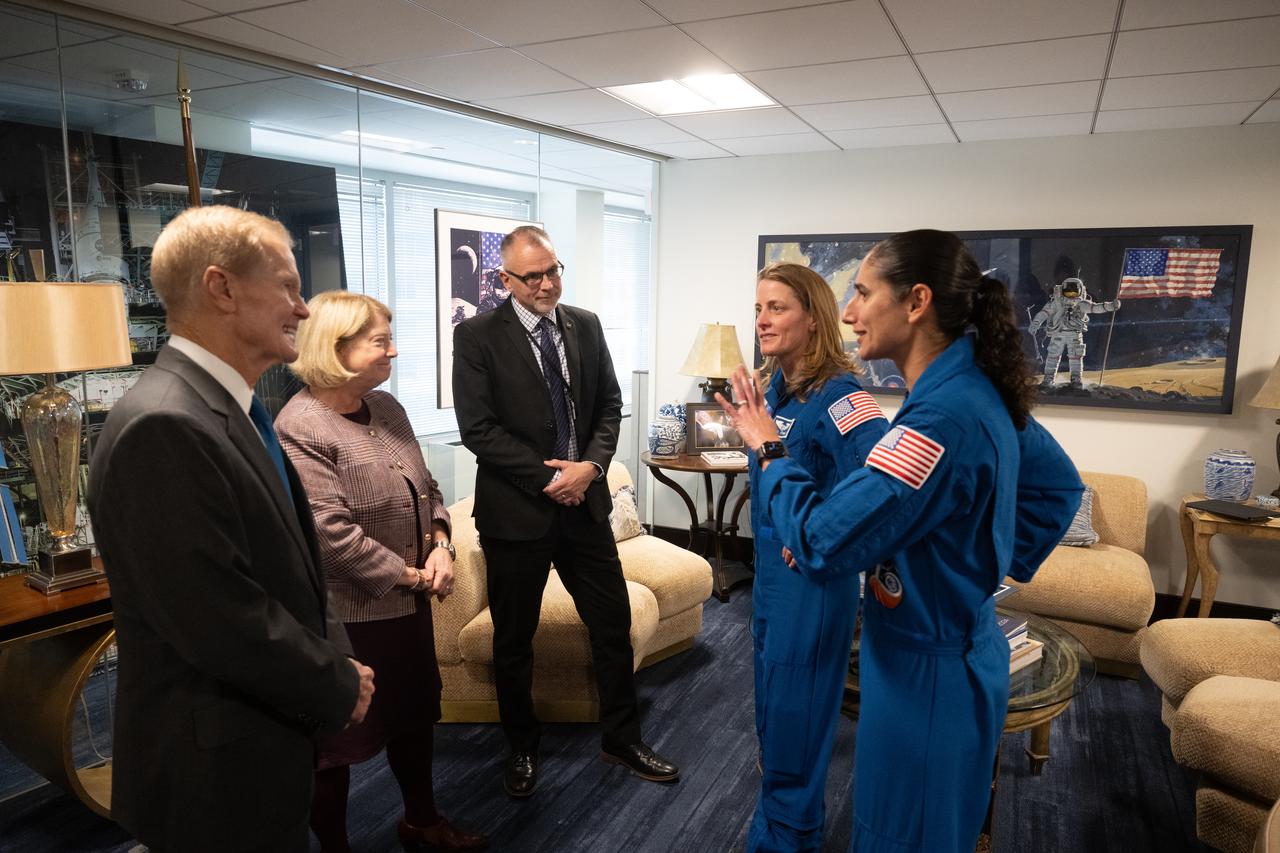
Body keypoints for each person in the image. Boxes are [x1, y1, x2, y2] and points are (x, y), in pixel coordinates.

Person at [718, 230, 1084, 853]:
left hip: (927, 669)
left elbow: (824, 540)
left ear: (915, 302)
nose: (851, 311)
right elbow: (1056, 489)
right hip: (928, 644)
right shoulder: (963, 390)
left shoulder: (936, 413)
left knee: (898, 834)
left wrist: (770, 450)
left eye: (862, 292)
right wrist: (965, 567)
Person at [86, 206, 374, 853]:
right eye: (289, 287)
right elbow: (219, 617)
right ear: (222, 288)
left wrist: (338, 656)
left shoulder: (232, 409)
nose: (304, 309)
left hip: (254, 743)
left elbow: (290, 564)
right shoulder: (163, 424)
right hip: (210, 770)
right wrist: (338, 680)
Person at [452, 225, 679, 798]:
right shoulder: (477, 336)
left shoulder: (584, 324)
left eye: (554, 270)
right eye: (534, 276)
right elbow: (478, 430)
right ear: (505, 280)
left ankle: (621, 737)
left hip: (584, 507)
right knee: (514, 639)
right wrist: (551, 477)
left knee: (611, 624)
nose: (548, 283)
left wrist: (592, 468)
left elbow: (609, 406)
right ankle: (521, 746)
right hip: (517, 514)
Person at [274, 292, 487, 853]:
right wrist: (415, 576)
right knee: (339, 743)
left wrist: (442, 543)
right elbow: (330, 536)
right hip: (349, 620)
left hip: (408, 607)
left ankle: (421, 821)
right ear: (334, 347)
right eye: (380, 341)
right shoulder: (300, 426)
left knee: (414, 718)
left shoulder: (388, 407)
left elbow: (430, 490)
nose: (394, 349)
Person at [746, 262, 889, 853]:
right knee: (775, 718)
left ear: (813, 318)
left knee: (796, 721)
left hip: (810, 582)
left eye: (777, 308)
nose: (762, 320)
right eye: (758, 308)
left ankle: (789, 840)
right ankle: (777, 825)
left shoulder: (842, 396)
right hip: (768, 581)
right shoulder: (774, 388)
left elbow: (878, 480)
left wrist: (823, 532)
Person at [1027, 276, 1120, 389]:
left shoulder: (1081, 304)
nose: (1071, 295)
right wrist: (1035, 324)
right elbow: (1043, 313)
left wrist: (1109, 306)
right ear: (1062, 291)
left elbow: (1095, 308)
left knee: (1075, 358)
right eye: (1068, 293)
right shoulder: (1056, 303)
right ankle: (1048, 379)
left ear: (1080, 291)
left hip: (1074, 335)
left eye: (1074, 293)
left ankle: (1076, 379)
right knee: (1053, 357)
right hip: (1058, 334)